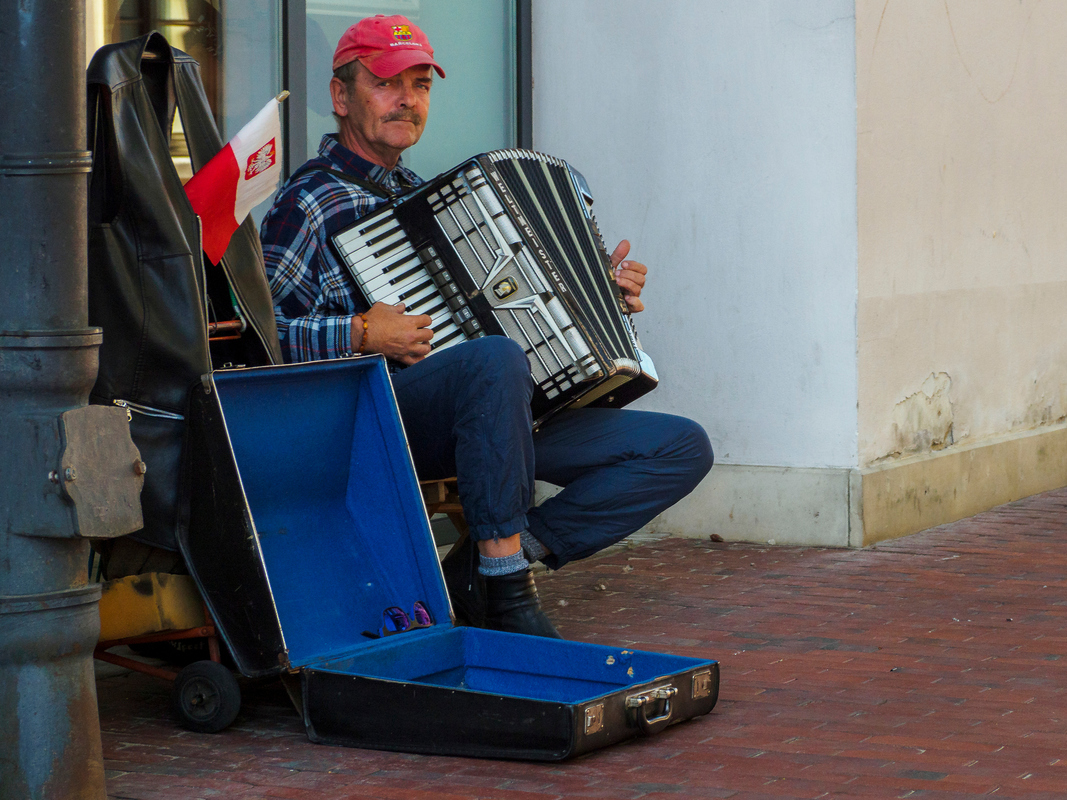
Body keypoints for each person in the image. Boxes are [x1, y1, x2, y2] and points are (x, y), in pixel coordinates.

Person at [260, 15, 713, 639]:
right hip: (383, 419)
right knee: (493, 360)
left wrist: (599, 298)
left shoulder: (429, 196)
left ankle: (481, 569)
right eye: (388, 83)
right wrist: (361, 334)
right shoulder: (305, 203)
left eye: (420, 85)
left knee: (679, 447)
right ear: (342, 97)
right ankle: (506, 589)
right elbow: (265, 337)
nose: (408, 99)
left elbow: (507, 311)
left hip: (490, 416)